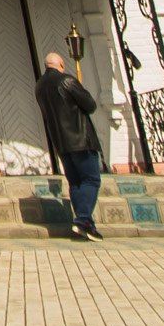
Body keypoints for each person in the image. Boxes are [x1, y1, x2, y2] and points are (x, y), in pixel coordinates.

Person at [37, 51, 104, 241]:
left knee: (75, 182)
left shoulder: (39, 86)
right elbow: (89, 105)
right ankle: (83, 220)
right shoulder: (67, 81)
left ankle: (85, 223)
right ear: (60, 65)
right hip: (80, 140)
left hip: (61, 142)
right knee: (91, 180)